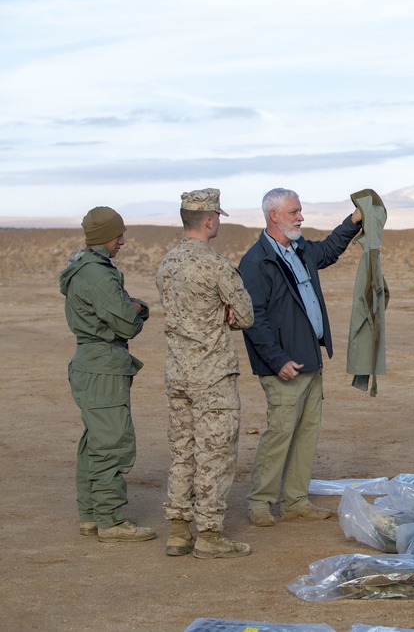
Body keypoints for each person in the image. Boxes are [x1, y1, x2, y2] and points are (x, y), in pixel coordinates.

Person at [239, 188, 363, 527]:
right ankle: (260, 503)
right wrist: (277, 359)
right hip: (283, 367)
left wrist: (353, 222)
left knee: (307, 434)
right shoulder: (256, 262)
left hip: (309, 359)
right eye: (294, 212)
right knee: (279, 434)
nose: (301, 217)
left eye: (300, 211)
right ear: (273, 215)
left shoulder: (301, 249)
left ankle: (294, 500)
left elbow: (329, 250)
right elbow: (253, 317)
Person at [156, 189, 255, 559]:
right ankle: (210, 534)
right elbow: (244, 316)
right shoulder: (216, 266)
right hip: (212, 375)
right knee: (215, 454)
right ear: (210, 220)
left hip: (178, 373)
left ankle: (179, 531)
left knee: (182, 451)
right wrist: (225, 314)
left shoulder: (167, 263)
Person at [59, 206, 155, 542]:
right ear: (104, 238)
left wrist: (132, 307)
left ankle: (91, 516)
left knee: (95, 442)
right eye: (119, 236)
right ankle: (111, 521)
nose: (123, 242)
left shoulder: (84, 268)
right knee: (112, 443)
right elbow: (126, 321)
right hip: (102, 367)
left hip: (91, 362)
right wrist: (140, 309)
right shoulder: (99, 276)